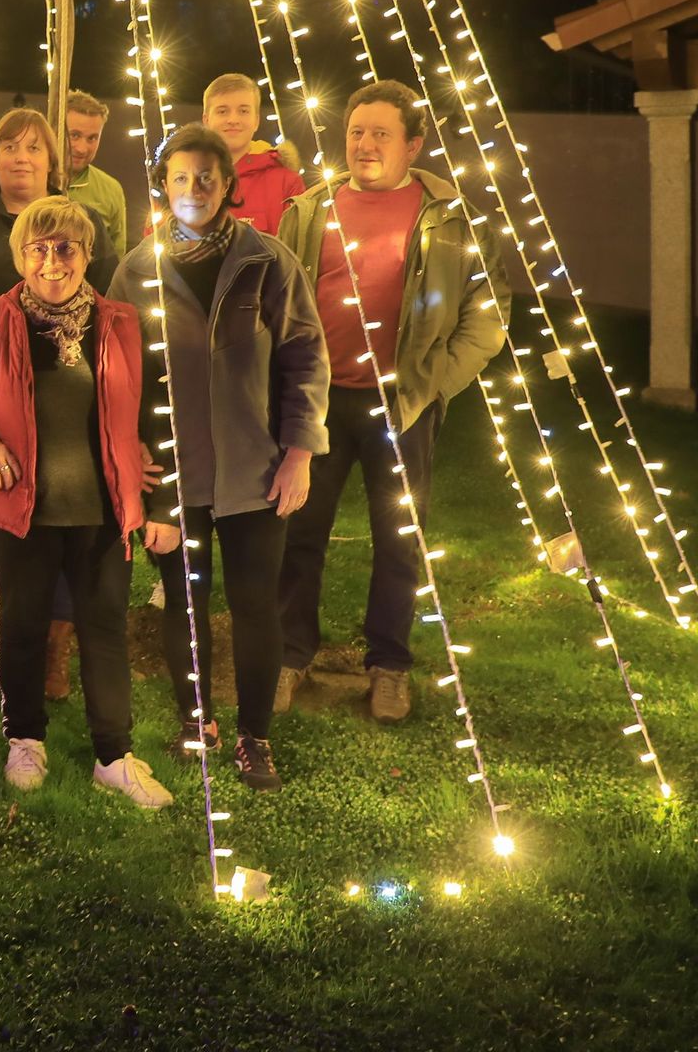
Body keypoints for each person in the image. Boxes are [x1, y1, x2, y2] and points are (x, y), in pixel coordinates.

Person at [271, 79, 506, 723]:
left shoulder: (450, 217)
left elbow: (487, 313)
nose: (365, 144)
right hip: (316, 404)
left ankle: (390, 665)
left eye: (381, 133)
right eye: (356, 131)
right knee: (298, 531)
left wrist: (434, 381)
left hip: (402, 407)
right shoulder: (309, 210)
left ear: (413, 145)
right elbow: (278, 301)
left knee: (399, 540)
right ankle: (290, 654)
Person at [0, 196, 174, 808]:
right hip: (19, 509)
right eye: (37, 248)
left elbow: (158, 416)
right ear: (20, 257)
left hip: (102, 509)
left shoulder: (123, 323)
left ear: (88, 254)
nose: (52, 261)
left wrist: (163, 503)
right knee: (21, 626)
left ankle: (113, 755)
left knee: (105, 631)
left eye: (66, 247)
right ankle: (24, 739)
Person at [117, 124, 327, 791]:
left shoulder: (267, 261)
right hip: (174, 474)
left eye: (207, 176)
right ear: (163, 185)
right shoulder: (137, 270)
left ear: (228, 184)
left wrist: (299, 452)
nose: (194, 189)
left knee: (255, 602)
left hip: (256, 470)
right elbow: (119, 376)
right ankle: (196, 720)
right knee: (185, 601)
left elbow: (304, 357)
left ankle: (254, 736)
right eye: (180, 177)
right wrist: (135, 462)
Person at [0, 106, 119, 699]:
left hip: (74, 395)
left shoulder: (87, 227)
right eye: (9, 146)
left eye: (34, 147)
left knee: (70, 516)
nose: (21, 157)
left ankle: (54, 651)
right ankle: (14, 647)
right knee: (9, 518)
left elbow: (110, 296)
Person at [0, 89, 130, 245]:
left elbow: (116, 256)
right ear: (53, 131)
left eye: (92, 138)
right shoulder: (2, 184)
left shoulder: (110, 190)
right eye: (74, 135)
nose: (82, 148)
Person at [199, 73, 307, 236]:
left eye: (243, 111)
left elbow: (296, 247)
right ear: (206, 120)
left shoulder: (287, 183)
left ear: (256, 121)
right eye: (222, 111)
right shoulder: (185, 179)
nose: (233, 119)